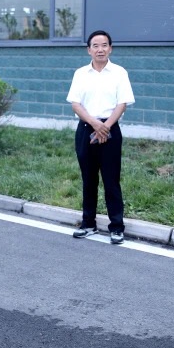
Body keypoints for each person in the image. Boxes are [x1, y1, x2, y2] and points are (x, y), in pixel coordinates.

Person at [66, 30, 134, 245]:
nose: (100, 49)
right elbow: (75, 103)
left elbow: (122, 103)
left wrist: (105, 127)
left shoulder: (119, 73)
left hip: (111, 129)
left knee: (111, 180)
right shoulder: (80, 73)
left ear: (110, 48)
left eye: (104, 45)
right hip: (87, 129)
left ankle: (116, 227)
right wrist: (95, 124)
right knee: (89, 179)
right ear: (89, 50)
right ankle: (88, 224)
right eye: (95, 45)